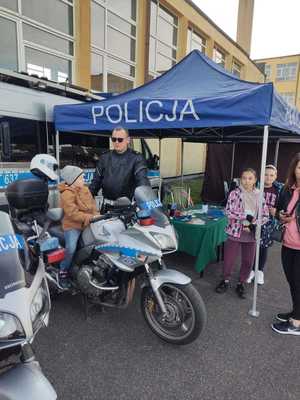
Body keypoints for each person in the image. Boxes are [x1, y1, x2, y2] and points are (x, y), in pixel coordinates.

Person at [215, 168, 269, 299]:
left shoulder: (259, 195)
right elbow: (228, 211)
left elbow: (265, 215)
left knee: (248, 261)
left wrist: (253, 224)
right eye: (244, 178)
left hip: (251, 234)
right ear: (240, 179)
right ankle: (225, 280)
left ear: (255, 180)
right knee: (229, 259)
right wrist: (245, 217)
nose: (246, 181)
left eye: (250, 178)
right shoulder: (234, 193)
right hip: (234, 231)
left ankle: (241, 282)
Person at [272, 153, 300, 336]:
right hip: (288, 243)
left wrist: (295, 218)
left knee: (298, 283)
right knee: (292, 282)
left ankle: (297, 324)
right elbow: (278, 209)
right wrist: (280, 215)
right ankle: (296, 311)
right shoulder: (289, 189)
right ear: (294, 169)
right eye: (299, 167)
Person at [89, 127, 150, 210]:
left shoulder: (136, 158)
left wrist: (147, 203)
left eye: (120, 139)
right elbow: (95, 183)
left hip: (127, 207)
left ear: (128, 140)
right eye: (114, 139)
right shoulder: (104, 157)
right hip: (107, 207)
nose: (116, 142)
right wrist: (84, 201)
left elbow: (143, 182)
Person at [58, 165, 99, 289]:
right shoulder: (66, 194)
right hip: (73, 226)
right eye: (81, 178)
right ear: (72, 180)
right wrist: (90, 218)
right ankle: (63, 272)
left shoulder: (85, 189)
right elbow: (72, 214)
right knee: (71, 248)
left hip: (88, 222)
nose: (84, 179)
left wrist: (97, 216)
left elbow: (93, 205)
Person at [247, 165, 283, 285]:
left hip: (269, 224)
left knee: (263, 247)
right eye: (266, 174)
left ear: (276, 176)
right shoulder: (255, 187)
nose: (268, 177)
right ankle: (251, 270)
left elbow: (284, 208)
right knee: (252, 245)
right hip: (255, 221)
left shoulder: (279, 190)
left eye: (271, 175)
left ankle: (260, 271)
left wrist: (277, 212)